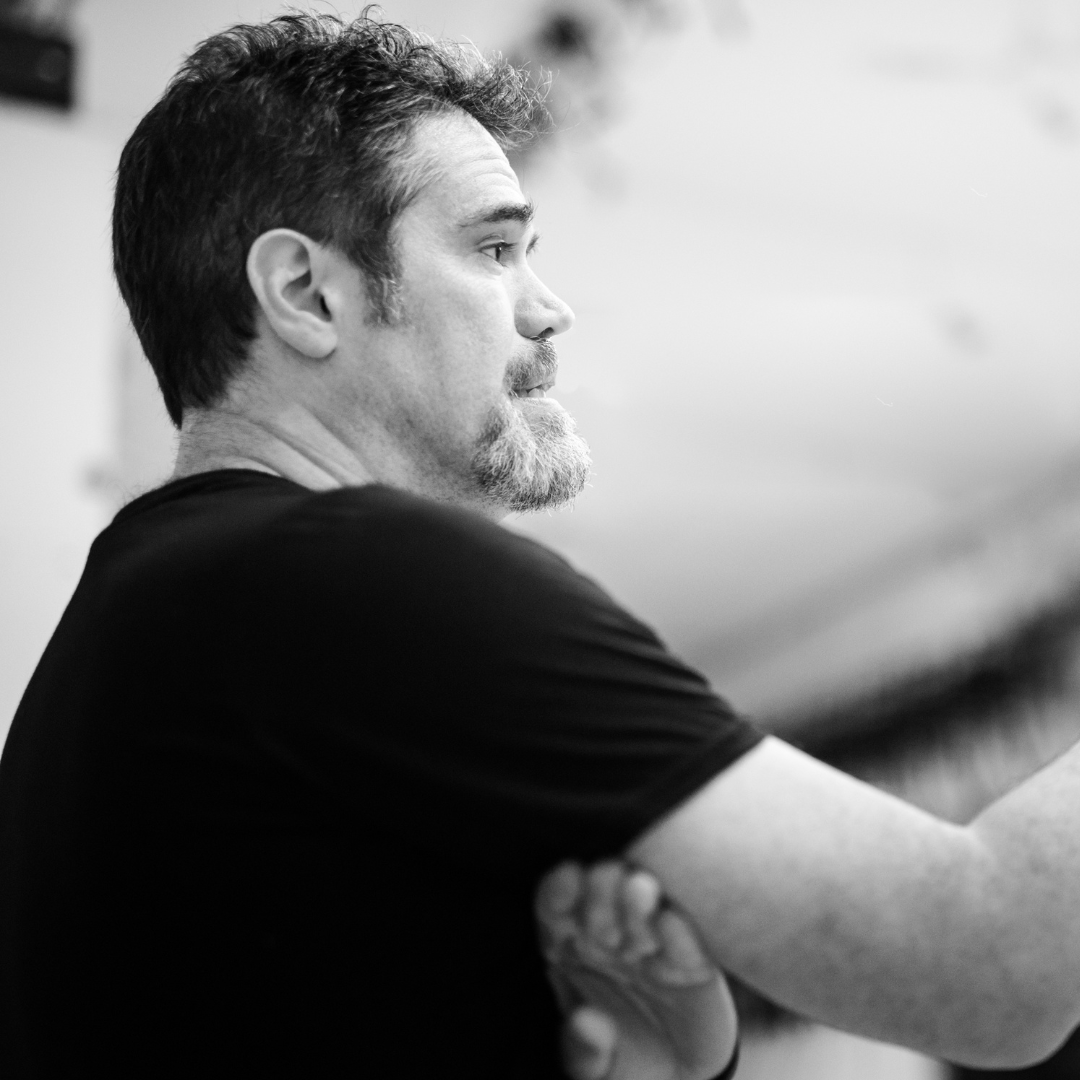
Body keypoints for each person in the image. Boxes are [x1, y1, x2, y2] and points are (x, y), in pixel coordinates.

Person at [2, 10, 1080, 1078]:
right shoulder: (352, 575)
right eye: (494, 249)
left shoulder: (119, 648)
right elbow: (991, 962)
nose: (551, 310)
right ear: (305, 292)